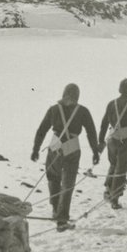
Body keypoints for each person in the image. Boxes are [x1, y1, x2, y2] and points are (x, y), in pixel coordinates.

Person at [31, 83, 100, 231]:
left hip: (55, 145)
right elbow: (91, 132)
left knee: (53, 177)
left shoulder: (54, 109)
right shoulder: (83, 111)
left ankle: (55, 208)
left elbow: (41, 130)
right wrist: (95, 151)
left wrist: (36, 149)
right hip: (72, 147)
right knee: (68, 184)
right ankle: (62, 220)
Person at [98, 77, 127, 210]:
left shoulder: (111, 104)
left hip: (112, 137)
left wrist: (101, 140)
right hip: (126, 137)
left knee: (113, 164)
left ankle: (108, 189)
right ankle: (115, 199)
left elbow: (104, 123)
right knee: (121, 168)